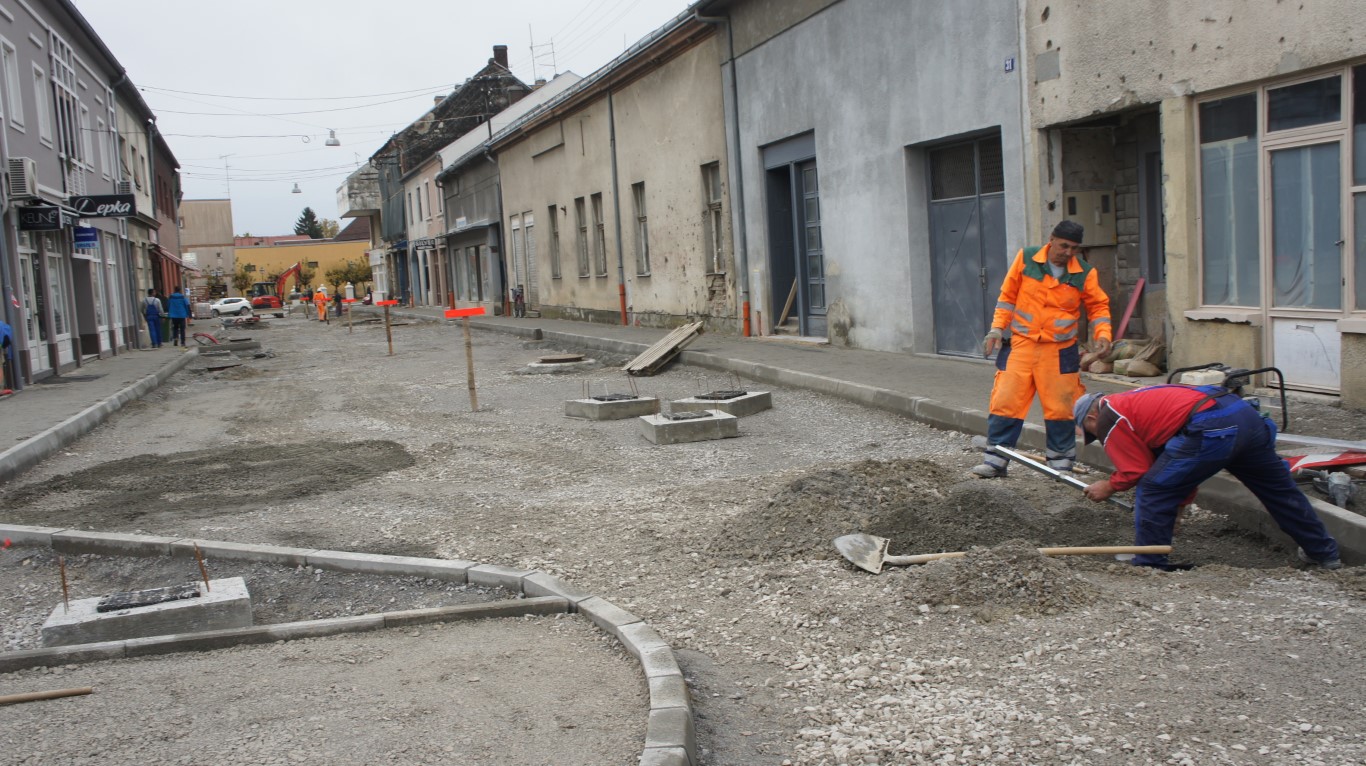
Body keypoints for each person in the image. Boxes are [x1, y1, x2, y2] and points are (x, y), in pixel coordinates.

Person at [1075, 385, 1342, 571]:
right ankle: (1324, 553)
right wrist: (1178, 508)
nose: (1098, 437)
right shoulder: (1138, 403)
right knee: (1279, 491)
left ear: (1091, 417)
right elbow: (1179, 467)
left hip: (1211, 426)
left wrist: (1108, 486)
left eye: (1092, 432)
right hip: (1243, 417)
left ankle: (1149, 563)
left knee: (1153, 489)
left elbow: (1137, 471)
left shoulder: (1109, 415)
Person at [973, 220, 1112, 478]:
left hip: (1059, 351)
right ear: (1051, 240)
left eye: (1074, 248)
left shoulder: (1084, 272)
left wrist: (1103, 335)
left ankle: (1060, 467)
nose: (1068, 252)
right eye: (1063, 246)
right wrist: (996, 329)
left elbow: (1098, 307)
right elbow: (1007, 297)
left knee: (1062, 409)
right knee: (1005, 403)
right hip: (1021, 345)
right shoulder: (1026, 259)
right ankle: (995, 462)